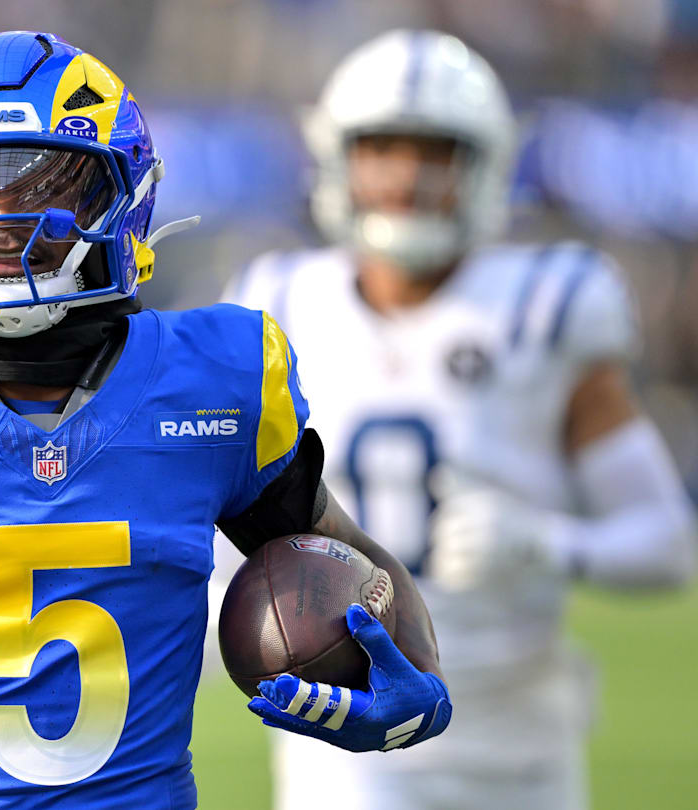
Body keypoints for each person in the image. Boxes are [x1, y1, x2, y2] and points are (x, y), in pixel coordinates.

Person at [0, 31, 453, 809]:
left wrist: (419, 694)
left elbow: (365, 571)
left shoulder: (216, 386)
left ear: (122, 195)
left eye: (37, 186)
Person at [220, 29, 698, 810]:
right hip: (349, 748)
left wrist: (545, 543)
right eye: (383, 149)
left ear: (486, 164)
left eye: (434, 152)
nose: (406, 176)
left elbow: (667, 546)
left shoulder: (546, 305)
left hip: (520, 739)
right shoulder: (279, 302)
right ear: (337, 157)